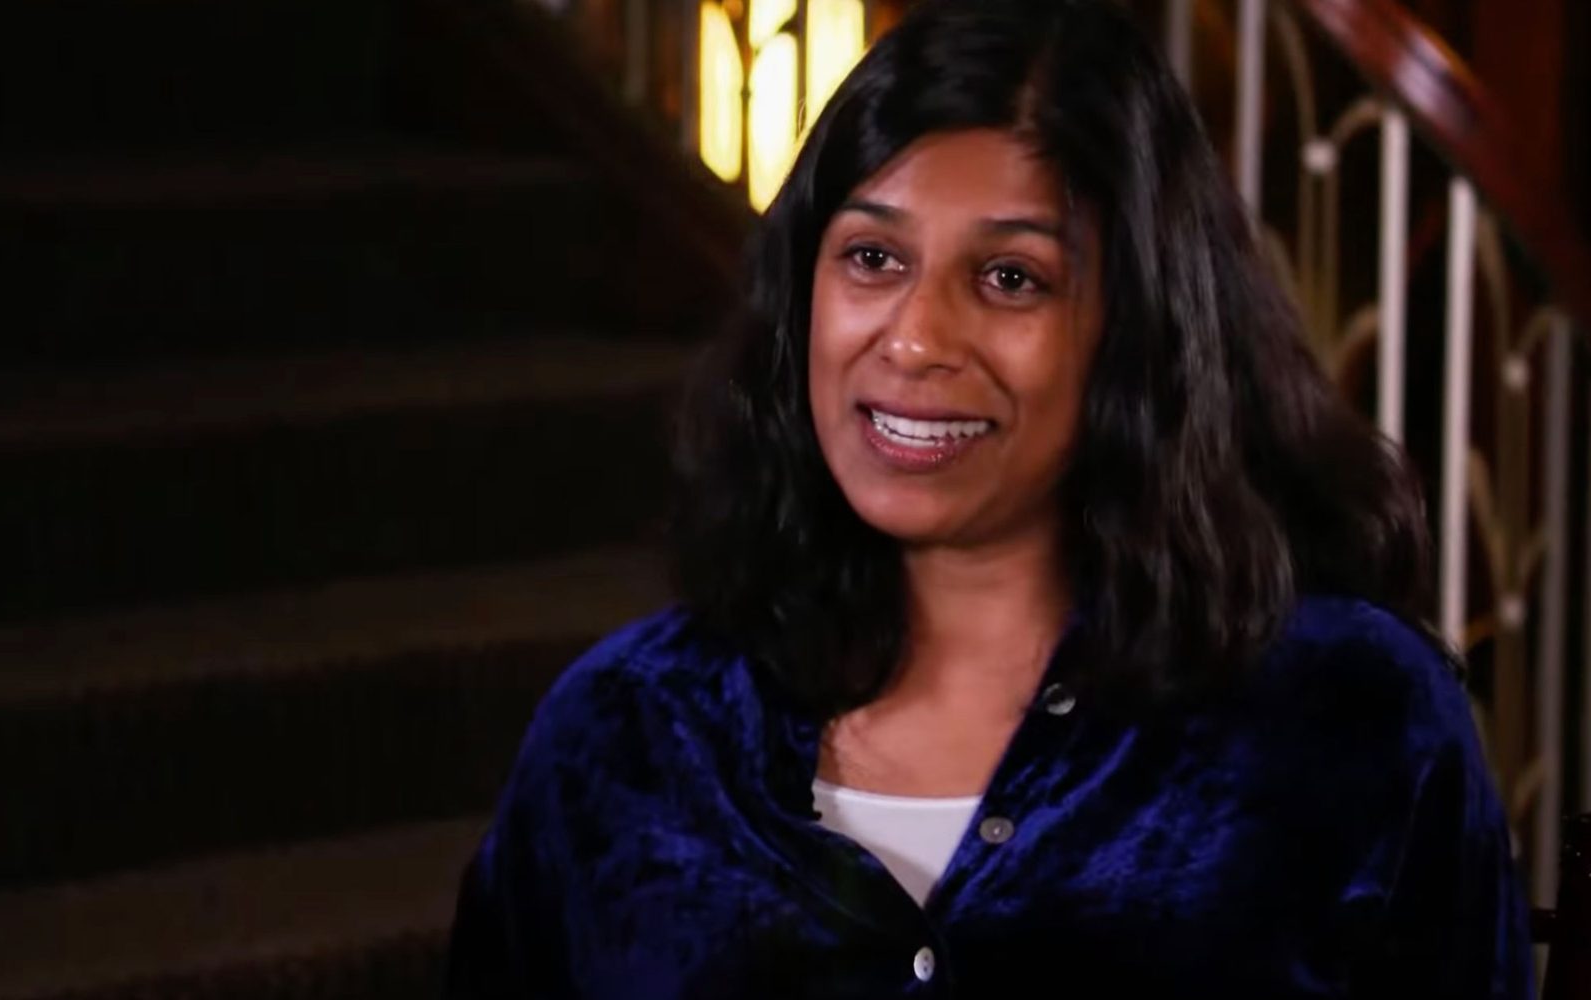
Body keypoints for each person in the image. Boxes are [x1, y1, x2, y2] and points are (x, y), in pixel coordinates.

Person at [444, 0, 1533, 996]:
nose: (915, 338)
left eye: (1011, 278)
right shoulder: (626, 731)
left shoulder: (1351, 718)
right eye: (871, 257)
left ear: (1137, 335)